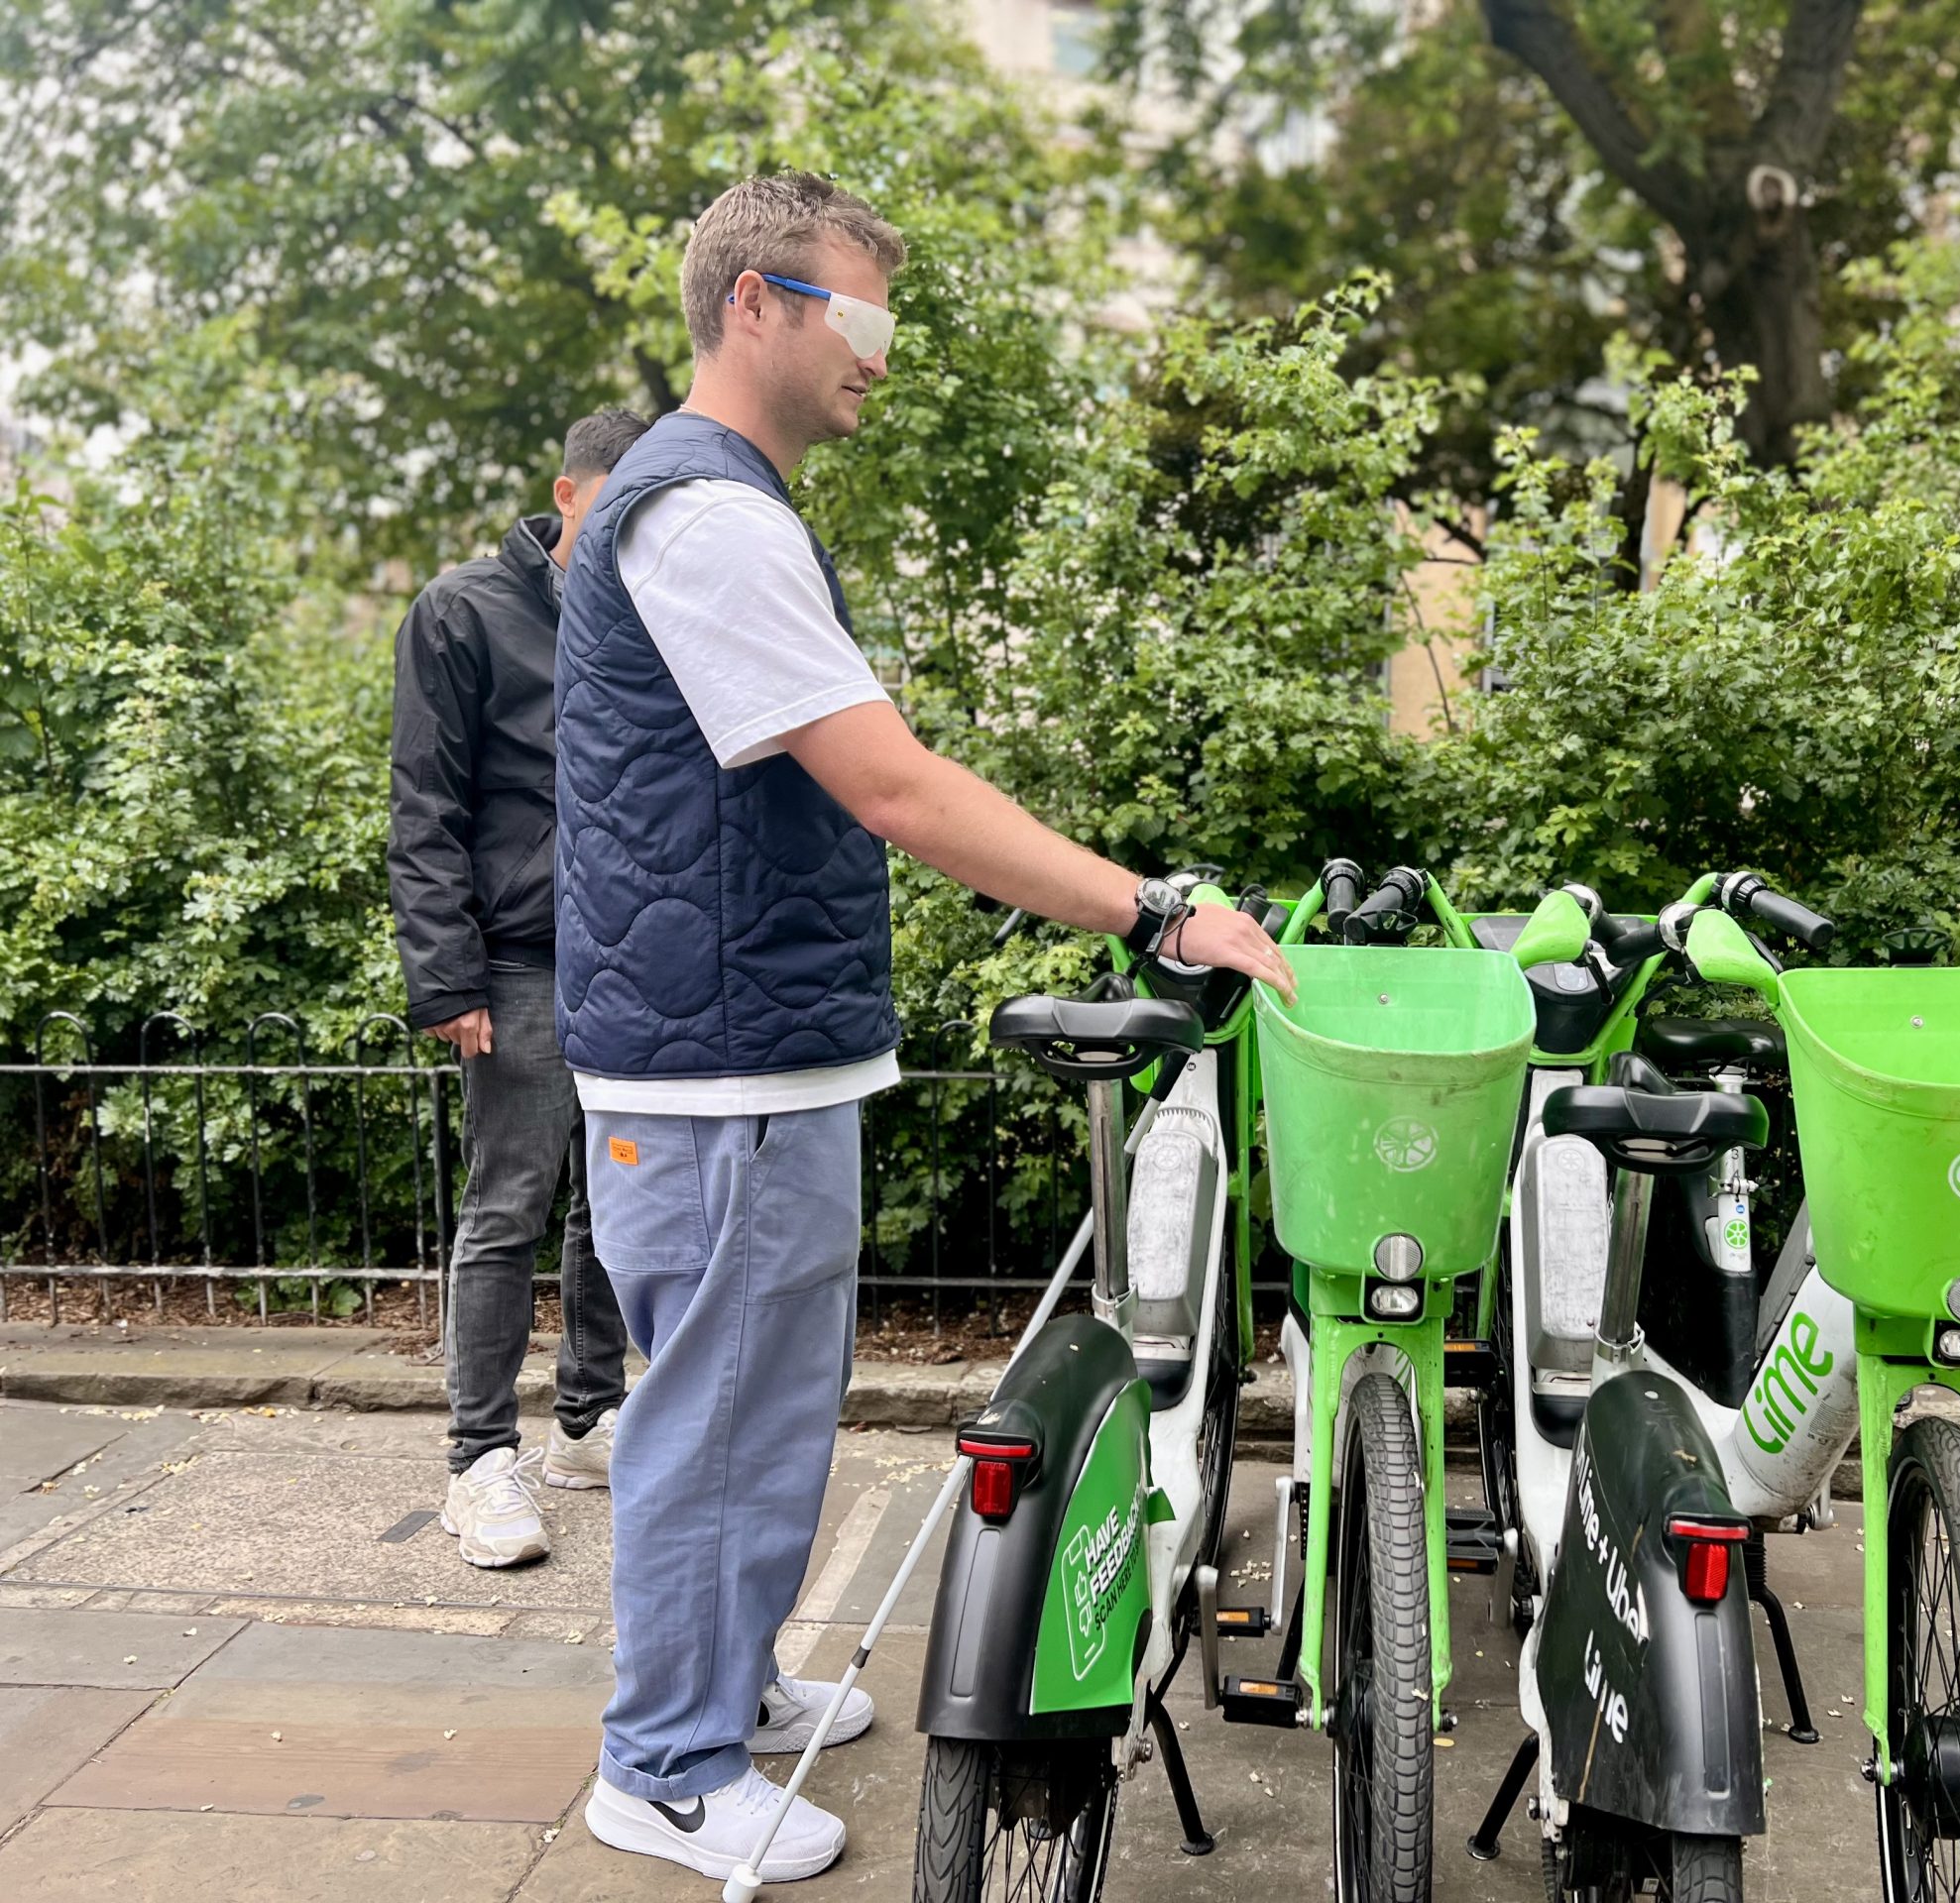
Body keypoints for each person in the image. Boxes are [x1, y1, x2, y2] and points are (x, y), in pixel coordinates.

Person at [554, 171, 1296, 1884]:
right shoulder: (708, 517)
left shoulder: (714, 502)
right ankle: (665, 1768)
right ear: (755, 303)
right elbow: (889, 786)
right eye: (860, 314)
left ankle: (725, 1692)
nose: (881, 353)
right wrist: (1151, 908)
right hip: (718, 1064)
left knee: (760, 1409)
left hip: (740, 1044)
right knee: (720, 1423)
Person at [388, 410, 648, 1569]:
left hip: (629, 963)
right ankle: (478, 1461)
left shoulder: (646, 612)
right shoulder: (463, 611)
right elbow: (424, 804)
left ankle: (586, 1423)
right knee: (508, 1208)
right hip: (516, 959)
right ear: (566, 493)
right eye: (617, 504)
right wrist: (447, 975)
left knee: (614, 1205)